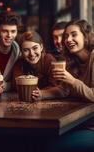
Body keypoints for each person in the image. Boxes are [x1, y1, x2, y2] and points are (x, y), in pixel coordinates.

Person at [44, 20, 94, 152]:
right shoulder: (72, 60)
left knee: (51, 145)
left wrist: (72, 81)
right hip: (80, 123)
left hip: (91, 127)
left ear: (86, 36)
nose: (68, 39)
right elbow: (63, 91)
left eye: (74, 34)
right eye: (66, 36)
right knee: (41, 138)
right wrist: (40, 95)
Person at [13, 31, 57, 99]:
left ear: (41, 47)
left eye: (35, 48)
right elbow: (17, 86)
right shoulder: (19, 63)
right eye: (26, 50)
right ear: (21, 52)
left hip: (48, 100)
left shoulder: (49, 60)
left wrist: (42, 93)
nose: (32, 54)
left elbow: (56, 85)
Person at [0, 11, 21, 92]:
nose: (9, 35)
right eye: (5, 31)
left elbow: (18, 82)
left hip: (9, 97)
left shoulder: (20, 53)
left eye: (13, 31)